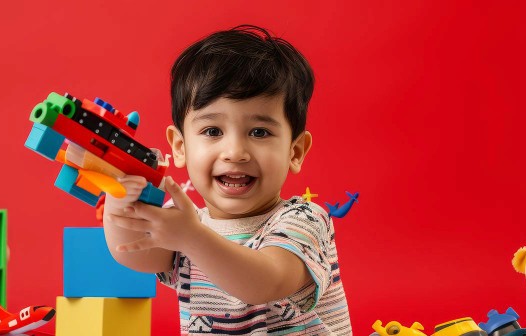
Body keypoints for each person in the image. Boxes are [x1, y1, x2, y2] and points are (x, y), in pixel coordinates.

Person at [102, 24, 351, 335]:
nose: (235, 152)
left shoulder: (305, 221)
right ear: (180, 147)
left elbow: (265, 281)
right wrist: (119, 199)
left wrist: (192, 237)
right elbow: (138, 254)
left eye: (259, 132)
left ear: (295, 151)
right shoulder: (191, 226)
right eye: (213, 131)